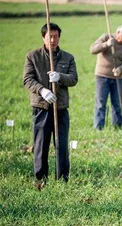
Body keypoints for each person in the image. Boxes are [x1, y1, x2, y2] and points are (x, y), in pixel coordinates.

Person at [23, 23, 78, 188]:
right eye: (49, 37)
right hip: (41, 108)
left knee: (61, 144)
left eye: (56, 36)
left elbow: (74, 79)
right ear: (43, 37)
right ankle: (40, 178)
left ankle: (62, 178)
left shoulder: (68, 58)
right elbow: (27, 79)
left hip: (60, 108)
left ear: (59, 37)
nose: (53, 40)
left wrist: (59, 76)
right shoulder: (33, 56)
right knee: (41, 144)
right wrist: (42, 91)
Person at [90, 24, 122, 130]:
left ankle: (118, 126)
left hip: (117, 78)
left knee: (117, 103)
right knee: (101, 103)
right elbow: (92, 49)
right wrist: (106, 44)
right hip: (102, 77)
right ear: (118, 32)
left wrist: (120, 69)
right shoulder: (106, 37)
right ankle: (99, 127)